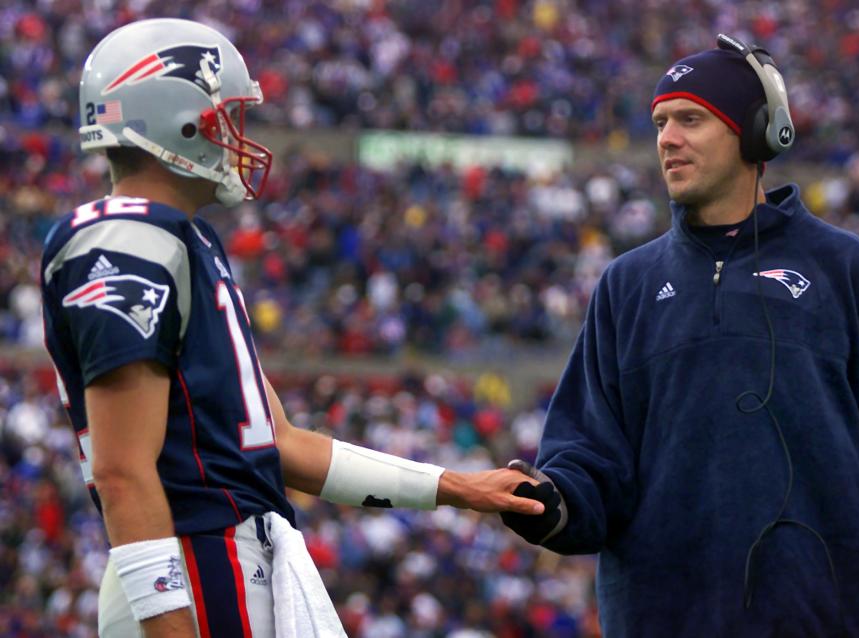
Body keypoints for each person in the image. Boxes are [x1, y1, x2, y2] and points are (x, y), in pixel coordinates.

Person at [41, 18, 544, 638]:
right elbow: (123, 471)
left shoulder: (182, 241)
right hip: (195, 569)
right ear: (181, 119)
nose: (237, 138)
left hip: (230, 560)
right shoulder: (127, 238)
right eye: (227, 116)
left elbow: (279, 443)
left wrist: (457, 488)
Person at [501, 35, 859, 637]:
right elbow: (592, 457)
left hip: (836, 618)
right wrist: (554, 503)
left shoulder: (846, 268)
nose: (667, 138)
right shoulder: (626, 286)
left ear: (760, 133)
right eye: (661, 122)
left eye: (691, 119)